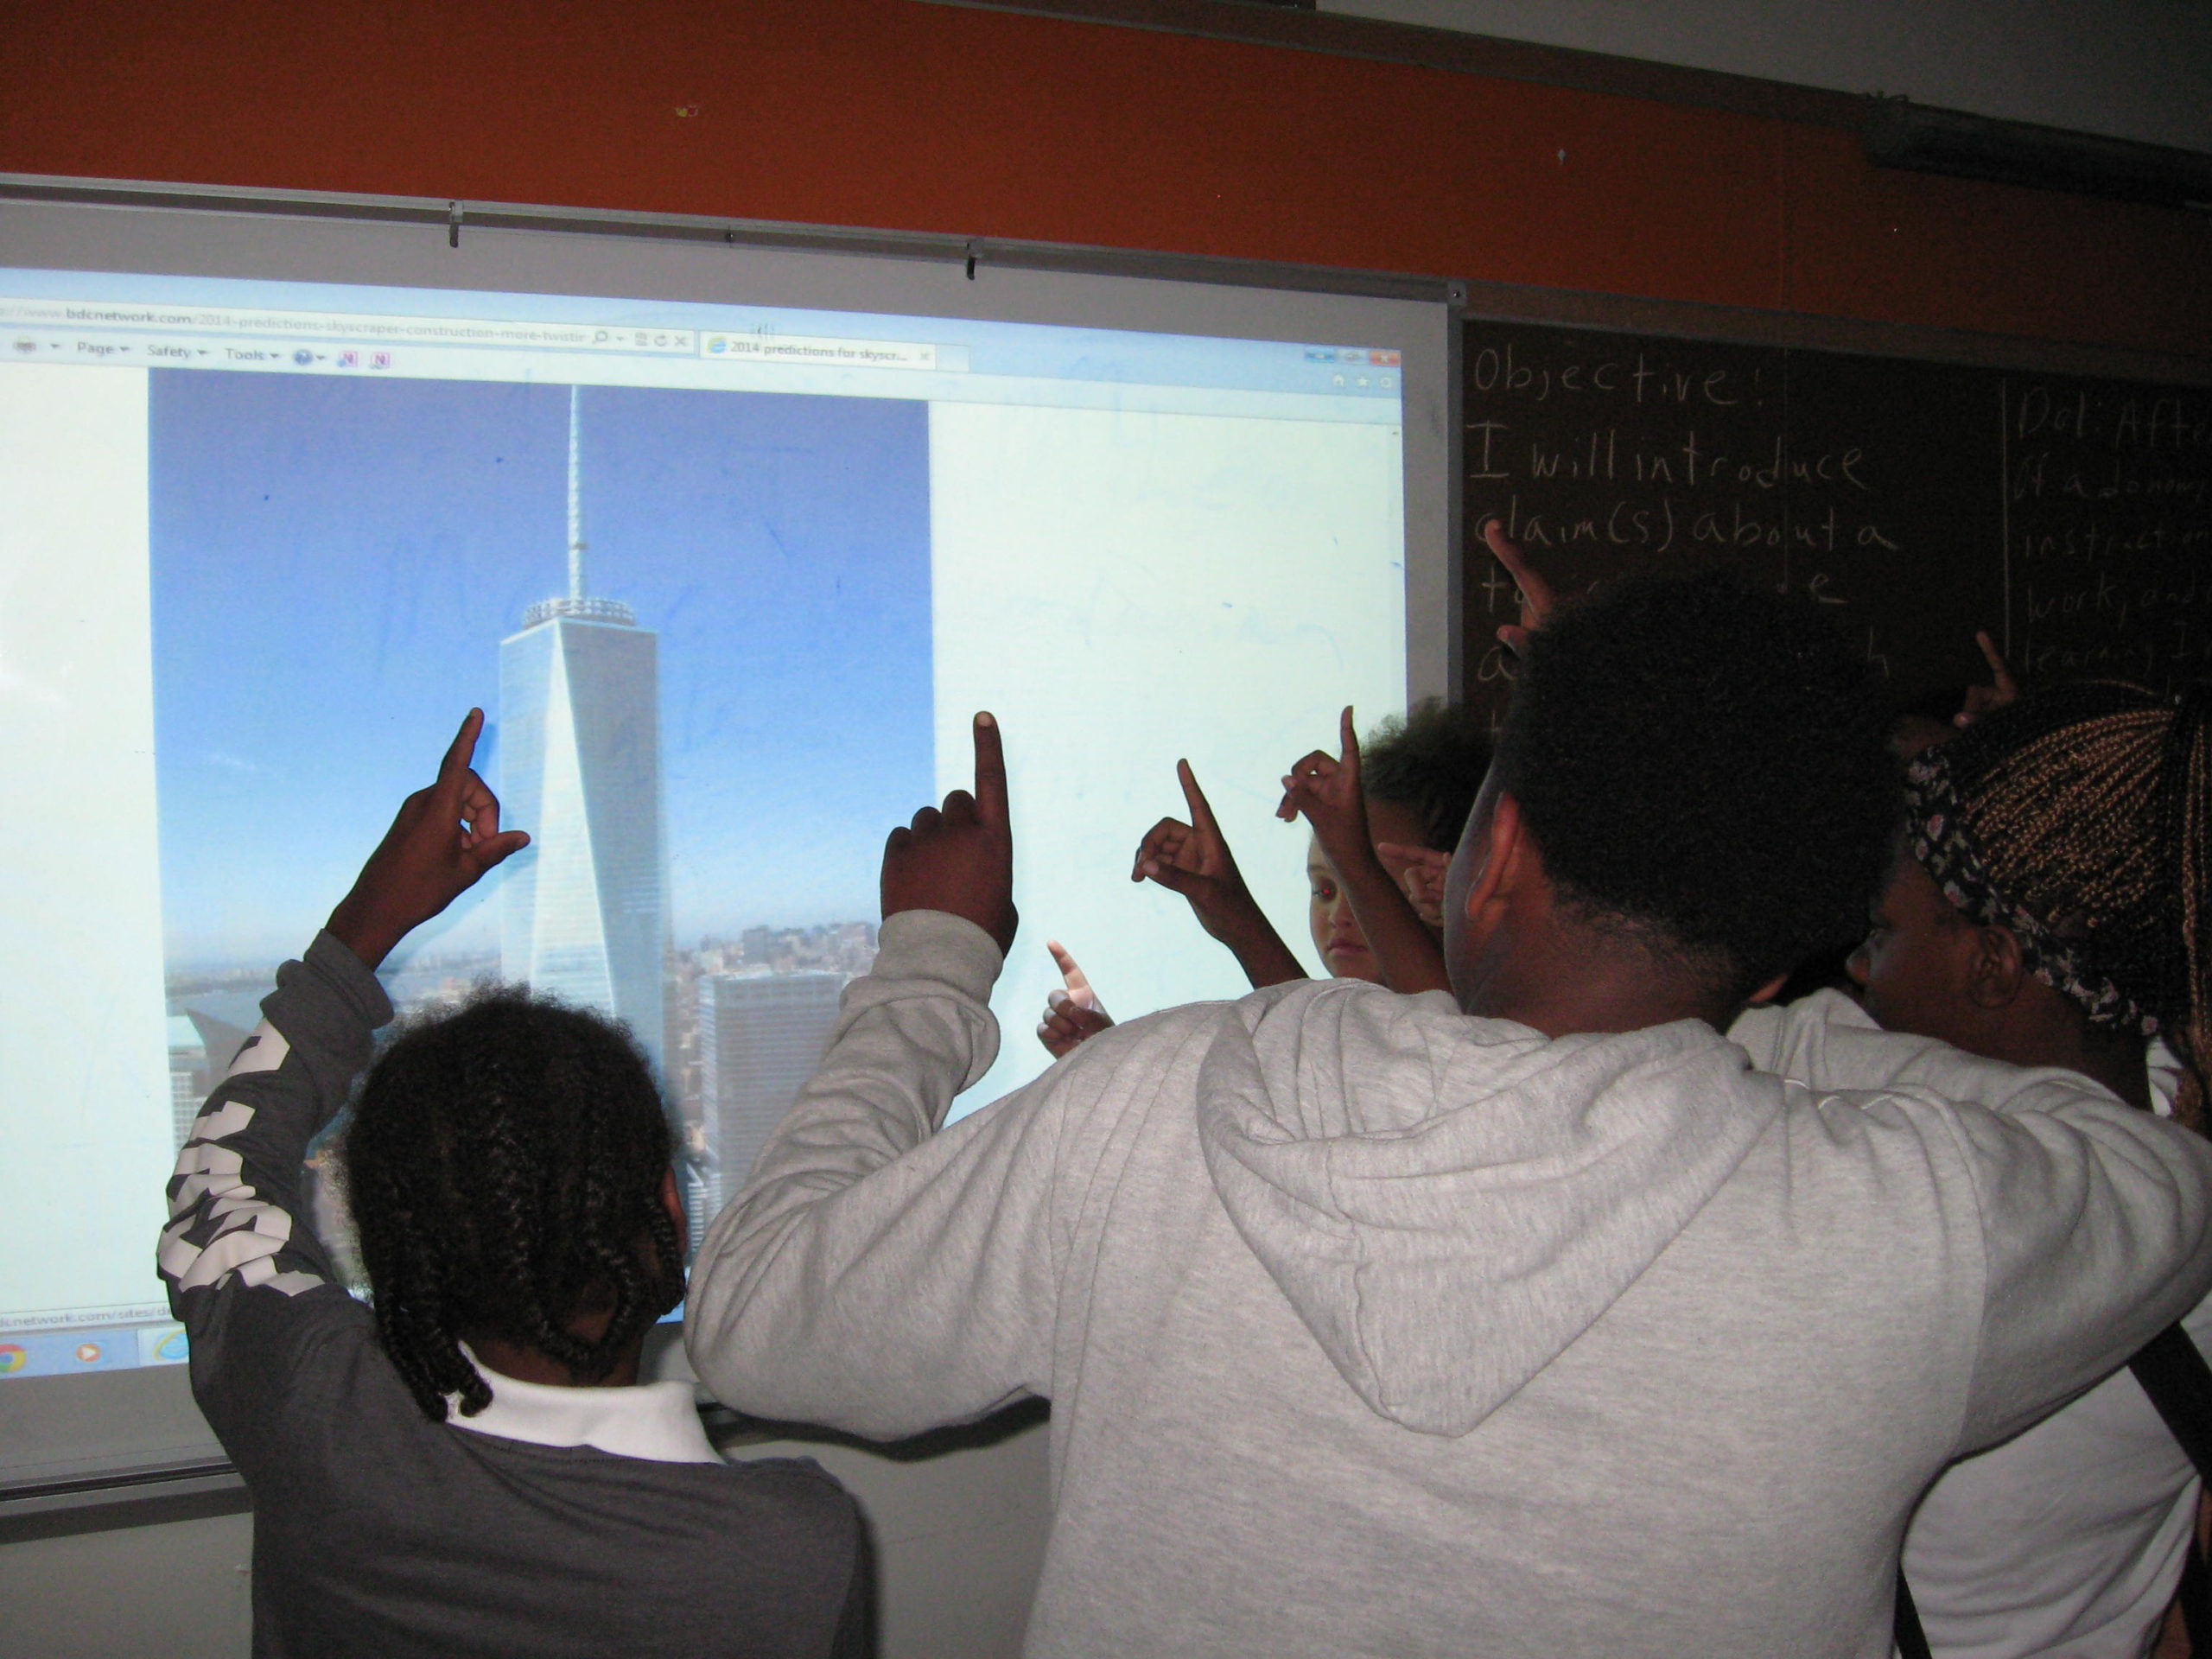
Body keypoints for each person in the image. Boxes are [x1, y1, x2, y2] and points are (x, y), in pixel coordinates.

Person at [688, 587, 2212, 1658]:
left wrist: (933, 959)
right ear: (1785, 951)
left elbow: (754, 1316)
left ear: (1491, 869)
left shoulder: (1161, 1106)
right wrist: (1765, 1017)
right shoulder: (1911, 1228)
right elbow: (2156, 1164)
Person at [161, 711, 863, 1659]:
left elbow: (220, 1171)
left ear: (395, 1242)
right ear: (666, 1210)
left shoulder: (318, 1413)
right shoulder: (787, 1548)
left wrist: (363, 929)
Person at [1736, 678, 2212, 1659]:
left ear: (1993, 965)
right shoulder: (2185, 1143)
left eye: (1887, 933)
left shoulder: (1895, 1177)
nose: (1862, 969)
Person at [1039, 703, 1487, 1054]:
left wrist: (1240, 920)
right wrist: (1107, 1061)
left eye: (1368, 886)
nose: (1340, 917)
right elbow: (1319, 1044)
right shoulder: (1347, 1037)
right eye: (1325, 890)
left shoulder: (1495, 1028)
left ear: (1452, 884)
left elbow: (1440, 1045)